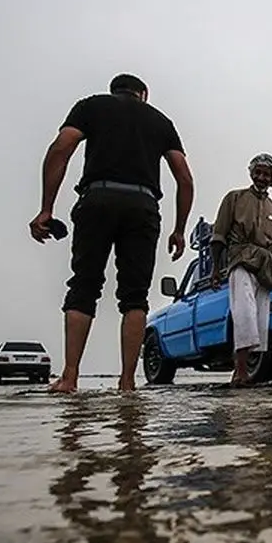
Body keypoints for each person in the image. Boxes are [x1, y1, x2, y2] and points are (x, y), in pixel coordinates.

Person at [30, 73, 195, 393]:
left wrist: (46, 208)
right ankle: (128, 381)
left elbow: (60, 149)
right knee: (135, 296)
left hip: (97, 199)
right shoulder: (161, 121)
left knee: (84, 285)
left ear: (114, 90)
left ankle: (70, 377)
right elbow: (185, 180)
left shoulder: (91, 106)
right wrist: (179, 229)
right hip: (143, 206)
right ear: (143, 94)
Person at [209, 153, 272, 387]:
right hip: (240, 260)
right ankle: (240, 371)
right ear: (252, 173)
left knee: (260, 319)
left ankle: (248, 373)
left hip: (265, 268)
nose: (262, 177)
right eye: (258, 172)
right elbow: (219, 236)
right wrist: (216, 269)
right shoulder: (234, 198)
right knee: (244, 314)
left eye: (267, 174)